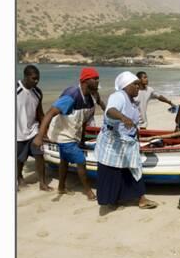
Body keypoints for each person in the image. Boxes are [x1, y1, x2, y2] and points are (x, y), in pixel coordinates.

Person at [33, 67, 101, 200]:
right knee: (80, 160)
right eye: (95, 79)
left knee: (64, 160)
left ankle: (61, 188)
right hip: (62, 135)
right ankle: (88, 192)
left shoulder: (89, 96)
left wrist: (81, 139)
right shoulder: (71, 96)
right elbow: (49, 114)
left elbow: (83, 120)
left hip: (73, 133)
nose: (98, 81)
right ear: (85, 80)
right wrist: (40, 136)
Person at [94, 71, 158, 210]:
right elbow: (110, 110)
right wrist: (123, 118)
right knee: (113, 172)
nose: (138, 86)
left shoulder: (133, 102)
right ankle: (114, 200)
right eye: (134, 84)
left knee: (134, 170)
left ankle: (141, 199)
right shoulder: (119, 96)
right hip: (113, 143)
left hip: (128, 143)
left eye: (138, 84)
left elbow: (134, 125)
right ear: (125, 86)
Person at [16, 65, 52, 191]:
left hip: (33, 130)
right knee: (19, 159)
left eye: (38, 79)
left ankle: (42, 183)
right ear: (26, 77)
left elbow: (40, 113)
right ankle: (19, 177)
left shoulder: (38, 92)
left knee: (39, 155)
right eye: (34, 78)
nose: (36, 81)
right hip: (18, 132)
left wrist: (45, 130)